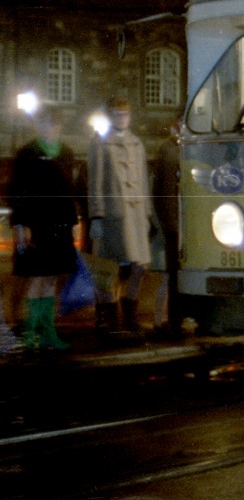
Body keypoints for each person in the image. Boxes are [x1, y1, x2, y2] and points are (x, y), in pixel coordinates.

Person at [7, 108, 82, 351]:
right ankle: (30, 332)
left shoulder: (66, 153)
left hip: (58, 225)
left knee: (51, 278)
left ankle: (47, 330)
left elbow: (68, 190)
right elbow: (17, 192)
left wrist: (72, 222)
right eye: (45, 123)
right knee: (37, 278)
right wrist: (20, 224)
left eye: (54, 124)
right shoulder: (27, 154)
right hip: (36, 224)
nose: (50, 128)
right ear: (38, 125)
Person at [88, 96, 153, 338]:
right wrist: (96, 216)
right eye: (116, 114)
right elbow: (95, 183)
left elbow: (144, 181)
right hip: (114, 215)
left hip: (135, 216)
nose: (121, 118)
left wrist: (146, 213)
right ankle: (111, 318)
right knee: (109, 268)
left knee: (139, 267)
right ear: (110, 116)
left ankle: (130, 316)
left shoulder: (137, 143)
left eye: (125, 114)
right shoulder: (100, 143)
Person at [150, 117, 183, 338]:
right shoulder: (171, 151)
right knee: (170, 275)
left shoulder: (170, 150)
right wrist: (168, 225)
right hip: (175, 224)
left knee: (170, 276)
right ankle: (167, 321)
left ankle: (166, 320)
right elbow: (164, 191)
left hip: (176, 223)